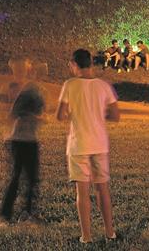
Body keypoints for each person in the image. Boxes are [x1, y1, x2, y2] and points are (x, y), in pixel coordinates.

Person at [57, 48, 120, 244]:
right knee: (103, 189)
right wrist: (98, 115)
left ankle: (86, 236)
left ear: (74, 65)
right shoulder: (103, 86)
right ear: (91, 64)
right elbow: (115, 115)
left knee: (82, 192)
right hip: (99, 143)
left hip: (78, 145)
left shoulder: (69, 85)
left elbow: (60, 115)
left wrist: (76, 113)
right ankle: (110, 233)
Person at [0, 57, 46, 228]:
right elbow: (4, 115)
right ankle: (4, 217)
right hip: (15, 138)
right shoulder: (10, 88)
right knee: (15, 178)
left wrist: (38, 117)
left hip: (31, 138)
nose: (24, 71)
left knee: (32, 178)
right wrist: (17, 113)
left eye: (26, 68)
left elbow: (41, 111)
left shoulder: (33, 88)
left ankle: (28, 213)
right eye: (20, 68)